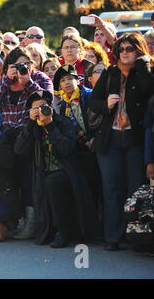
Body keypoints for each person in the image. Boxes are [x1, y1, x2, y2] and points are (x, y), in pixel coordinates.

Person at [89, 32, 154, 251]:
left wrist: (143, 66)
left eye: (130, 49)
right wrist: (106, 104)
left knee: (135, 188)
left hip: (136, 139)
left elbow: (152, 92)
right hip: (110, 140)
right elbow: (93, 102)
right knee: (111, 189)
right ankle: (113, 237)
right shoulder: (110, 73)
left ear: (139, 50)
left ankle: (136, 236)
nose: (125, 53)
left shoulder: (147, 71)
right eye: (121, 49)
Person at [14, 90, 101, 247]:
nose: (42, 110)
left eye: (45, 106)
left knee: (53, 182)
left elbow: (66, 148)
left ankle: (62, 232)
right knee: (44, 181)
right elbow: (19, 150)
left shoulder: (63, 122)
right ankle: (46, 229)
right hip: (42, 173)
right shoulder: (33, 127)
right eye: (37, 108)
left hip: (67, 171)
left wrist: (51, 124)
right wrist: (31, 123)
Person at [0, 47, 50, 240]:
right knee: (10, 178)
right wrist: (8, 79)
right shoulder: (5, 81)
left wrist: (28, 82)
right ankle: (16, 219)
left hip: (31, 135)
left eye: (26, 64)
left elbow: (47, 98)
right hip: (8, 136)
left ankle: (31, 223)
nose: (22, 68)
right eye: (17, 65)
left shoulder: (39, 78)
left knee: (28, 179)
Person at [54, 65, 102, 209]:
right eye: (63, 80)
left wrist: (95, 139)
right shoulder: (62, 104)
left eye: (70, 78)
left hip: (97, 145)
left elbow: (100, 120)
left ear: (78, 80)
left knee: (101, 184)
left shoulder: (89, 95)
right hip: (80, 151)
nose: (67, 83)